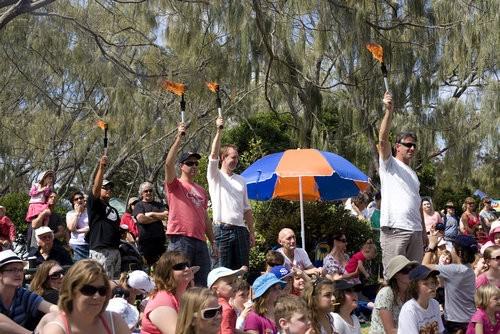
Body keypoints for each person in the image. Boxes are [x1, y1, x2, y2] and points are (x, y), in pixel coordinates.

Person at [377, 91, 426, 271]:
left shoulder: (413, 174)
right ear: (397, 146)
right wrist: (389, 112)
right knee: (394, 278)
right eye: (408, 145)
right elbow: (382, 139)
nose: (412, 148)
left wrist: (423, 233)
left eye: (414, 145)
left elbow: (418, 203)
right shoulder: (389, 164)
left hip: (416, 231)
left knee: (414, 280)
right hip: (395, 230)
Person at [165, 122, 217, 285]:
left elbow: (205, 218)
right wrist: (179, 138)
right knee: (180, 281)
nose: (194, 165)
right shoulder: (175, 184)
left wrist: (213, 241)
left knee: (202, 282)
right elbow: (168, 164)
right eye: (189, 163)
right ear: (181, 166)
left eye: (196, 163)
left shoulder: (201, 190)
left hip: (200, 241)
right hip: (181, 238)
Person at [207, 116, 256, 269]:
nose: (236, 160)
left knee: (242, 272)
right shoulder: (215, 175)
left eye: (237, 157)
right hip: (222, 230)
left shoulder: (241, 180)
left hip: (241, 231)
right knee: (221, 273)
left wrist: (252, 232)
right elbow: (213, 155)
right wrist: (218, 130)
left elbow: (247, 209)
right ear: (223, 158)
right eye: (233, 157)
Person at [41, 259, 129, 334]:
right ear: (71, 291)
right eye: (89, 290)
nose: (97, 296)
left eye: (102, 290)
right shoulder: (56, 330)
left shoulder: (115, 321)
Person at [423, 234, 476, 333]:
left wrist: (431, 246)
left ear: (459, 252)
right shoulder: (468, 269)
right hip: (470, 318)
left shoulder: (454, 270)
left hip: (456, 322)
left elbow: (424, 266)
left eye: (452, 249)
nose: (451, 251)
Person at [0, 250, 58, 331]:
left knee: (52, 316)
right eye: (13, 270)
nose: (19, 274)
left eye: (21, 270)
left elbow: (51, 308)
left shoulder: (22, 294)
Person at [141, 251, 195, 334]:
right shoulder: (162, 300)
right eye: (180, 266)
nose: (187, 269)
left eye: (187, 265)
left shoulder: (183, 296)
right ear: (167, 273)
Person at [86, 155, 121, 279]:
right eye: (105, 187)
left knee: (115, 285)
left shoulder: (114, 210)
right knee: (102, 283)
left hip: (115, 250)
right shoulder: (94, 204)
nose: (108, 189)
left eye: (110, 188)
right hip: (101, 250)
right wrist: (102, 167)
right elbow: (95, 189)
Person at [369, 255, 418, 334]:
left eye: (412, 269)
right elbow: (390, 331)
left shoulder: (410, 293)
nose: (411, 272)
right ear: (396, 275)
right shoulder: (386, 293)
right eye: (406, 270)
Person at [397, 265, 444, 333]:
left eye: (433, 282)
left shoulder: (435, 304)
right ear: (415, 287)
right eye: (425, 283)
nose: (432, 286)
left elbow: (440, 331)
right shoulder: (409, 310)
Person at [133, 181, 168, 266]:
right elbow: (141, 219)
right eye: (146, 191)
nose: (149, 193)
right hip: (146, 243)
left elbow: (167, 215)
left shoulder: (159, 205)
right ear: (142, 193)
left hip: (160, 242)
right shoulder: (139, 205)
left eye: (150, 190)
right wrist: (158, 218)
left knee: (162, 267)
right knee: (147, 268)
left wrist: (152, 214)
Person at [207, 266, 245, 334]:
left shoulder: (215, 305)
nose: (235, 285)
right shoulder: (226, 309)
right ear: (215, 289)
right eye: (230, 283)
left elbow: (230, 328)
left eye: (235, 281)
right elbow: (226, 331)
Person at [66, 191, 90, 261]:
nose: (79, 200)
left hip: (89, 243)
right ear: (73, 202)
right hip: (77, 245)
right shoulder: (70, 214)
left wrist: (77, 230)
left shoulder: (89, 212)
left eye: (81, 198)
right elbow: (71, 228)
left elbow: (92, 227)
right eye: (76, 199)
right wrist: (77, 213)